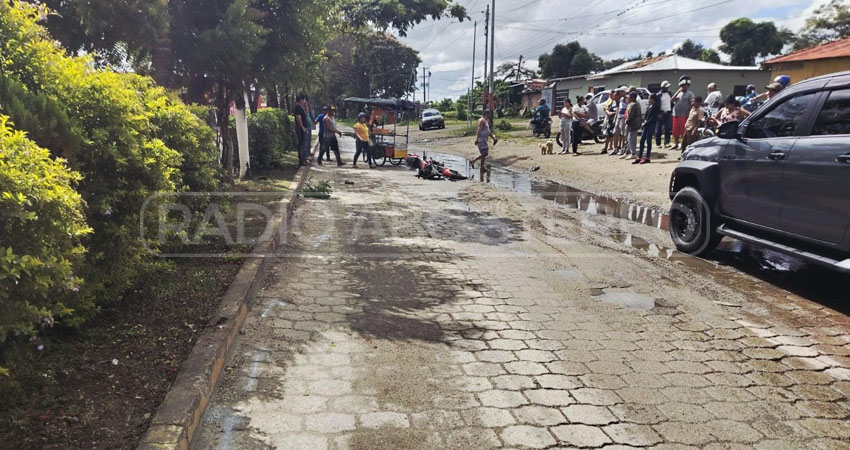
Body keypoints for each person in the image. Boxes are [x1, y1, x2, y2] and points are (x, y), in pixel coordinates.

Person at [470, 109, 498, 179]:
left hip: (484, 140)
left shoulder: (486, 121)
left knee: (484, 154)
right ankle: (473, 160)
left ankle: (482, 167)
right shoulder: (482, 120)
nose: (490, 116)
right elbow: (479, 130)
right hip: (481, 140)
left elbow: (488, 131)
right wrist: (477, 139)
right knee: (485, 153)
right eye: (489, 114)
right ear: (486, 114)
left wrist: (493, 138)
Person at [635, 94, 660, 165]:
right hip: (646, 125)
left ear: (653, 99)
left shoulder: (656, 107)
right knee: (642, 140)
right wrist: (644, 122)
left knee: (649, 140)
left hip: (651, 125)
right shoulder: (649, 106)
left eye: (649, 99)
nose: (648, 100)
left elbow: (653, 118)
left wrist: (646, 123)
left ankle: (647, 157)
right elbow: (646, 116)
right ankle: (639, 156)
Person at [671, 77, 694, 150]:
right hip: (675, 114)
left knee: (683, 130)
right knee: (675, 131)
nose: (685, 87)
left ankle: (682, 144)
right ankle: (676, 144)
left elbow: (691, 104)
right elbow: (671, 100)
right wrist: (678, 91)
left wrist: (688, 113)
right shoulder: (678, 93)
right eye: (683, 85)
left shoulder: (690, 94)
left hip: (683, 114)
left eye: (686, 85)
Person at [622, 91, 642, 160]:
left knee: (632, 139)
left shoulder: (634, 105)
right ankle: (628, 152)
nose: (628, 98)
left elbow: (631, 116)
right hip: (631, 124)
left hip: (633, 124)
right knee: (628, 138)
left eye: (629, 97)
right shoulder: (632, 104)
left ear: (633, 97)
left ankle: (633, 153)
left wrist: (626, 121)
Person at [293, 94, 311, 166]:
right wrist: (303, 128)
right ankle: (301, 160)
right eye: (304, 100)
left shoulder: (301, 107)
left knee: (304, 144)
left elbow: (306, 113)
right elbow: (298, 118)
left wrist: (306, 105)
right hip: (300, 128)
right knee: (301, 144)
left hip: (303, 128)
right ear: (300, 100)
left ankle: (304, 159)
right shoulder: (297, 108)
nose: (305, 101)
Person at [610, 87, 628, 156]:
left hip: (623, 118)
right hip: (619, 117)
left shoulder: (627, 99)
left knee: (623, 134)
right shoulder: (620, 100)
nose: (620, 93)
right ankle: (615, 148)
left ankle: (623, 148)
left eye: (621, 92)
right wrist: (615, 118)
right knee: (615, 132)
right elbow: (618, 108)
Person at [655, 81, 673, 148]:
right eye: (666, 87)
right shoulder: (658, 95)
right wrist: (658, 113)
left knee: (667, 128)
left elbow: (671, 102)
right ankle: (658, 143)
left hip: (668, 113)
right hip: (661, 113)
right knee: (659, 129)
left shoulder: (669, 93)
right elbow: (656, 105)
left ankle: (667, 142)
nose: (667, 88)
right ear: (662, 87)